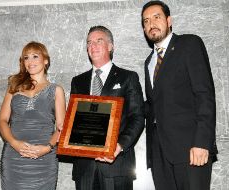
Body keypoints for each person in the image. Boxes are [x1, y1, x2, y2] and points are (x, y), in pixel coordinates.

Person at [141, 1, 218, 190]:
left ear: (169, 20)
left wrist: (202, 142)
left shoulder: (189, 44)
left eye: (156, 17)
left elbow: (204, 95)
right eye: (146, 21)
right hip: (160, 155)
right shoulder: (149, 62)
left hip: (190, 150)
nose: (151, 24)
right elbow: (155, 105)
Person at [70, 25, 145, 190]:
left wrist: (118, 146)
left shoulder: (128, 77)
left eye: (99, 41)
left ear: (111, 46)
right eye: (89, 42)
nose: (93, 46)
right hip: (84, 169)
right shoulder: (78, 81)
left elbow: (137, 117)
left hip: (117, 166)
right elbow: (74, 121)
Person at [0, 41, 66, 190]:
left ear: (46, 60)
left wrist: (47, 148)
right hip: (13, 158)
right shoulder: (14, 87)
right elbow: (2, 121)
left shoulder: (56, 90)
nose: (30, 61)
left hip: (44, 159)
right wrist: (14, 143)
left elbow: (62, 128)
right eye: (26, 58)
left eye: (35, 56)